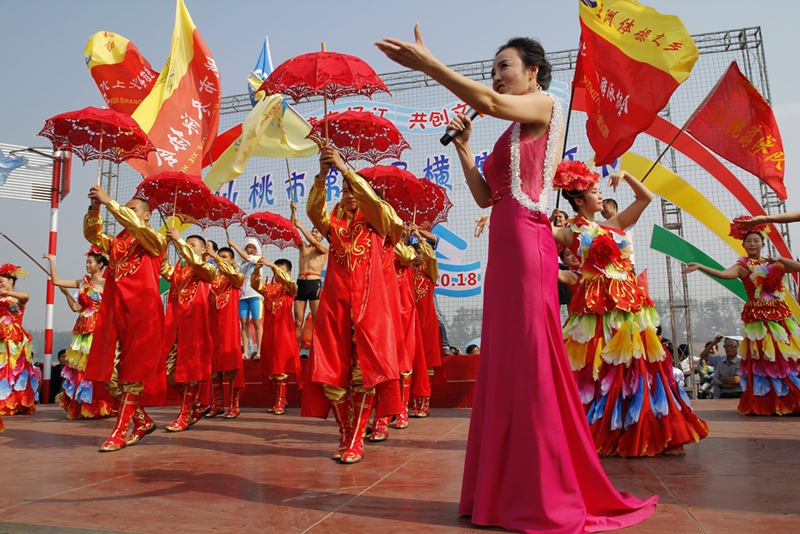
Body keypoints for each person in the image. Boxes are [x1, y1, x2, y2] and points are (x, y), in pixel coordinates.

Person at [377, 27, 657, 531]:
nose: (496, 78)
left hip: (529, 244)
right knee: (504, 363)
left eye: (504, 67)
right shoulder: (508, 131)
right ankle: (499, 492)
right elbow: (487, 197)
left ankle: (541, 489)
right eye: (494, 70)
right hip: (503, 247)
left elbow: (484, 99)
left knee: (530, 361)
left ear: (532, 72)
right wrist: (463, 149)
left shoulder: (546, 107)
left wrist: (430, 66)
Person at [554, 163, 708, 457]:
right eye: (594, 192)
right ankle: (603, 428)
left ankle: (647, 426)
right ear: (578, 200)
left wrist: (626, 176)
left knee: (638, 365)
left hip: (629, 303)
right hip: (596, 308)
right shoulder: (568, 231)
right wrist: (560, 274)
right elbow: (532, 243)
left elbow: (645, 198)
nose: (601, 197)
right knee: (600, 368)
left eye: (599, 191)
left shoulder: (614, 225)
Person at [302, 144, 403, 465]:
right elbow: (313, 213)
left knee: (365, 373)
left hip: (370, 308)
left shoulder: (379, 218)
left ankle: (356, 439)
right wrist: (322, 174)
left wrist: (346, 169)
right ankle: (346, 434)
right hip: (335, 304)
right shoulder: (335, 223)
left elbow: (379, 209)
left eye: (352, 188)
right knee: (330, 372)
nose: (347, 193)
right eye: (343, 189)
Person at [683, 220, 800, 414]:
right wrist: (702, 266)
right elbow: (724, 274)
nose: (752, 244)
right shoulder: (742, 265)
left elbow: (797, 268)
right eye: (749, 241)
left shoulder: (775, 263)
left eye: (756, 240)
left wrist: (780, 259)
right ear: (744, 245)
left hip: (780, 317)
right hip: (759, 321)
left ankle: (789, 397)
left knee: (784, 358)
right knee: (764, 360)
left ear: (763, 243)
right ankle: (769, 401)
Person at [83, 186, 167, 452]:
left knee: (133, 375)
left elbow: (139, 231)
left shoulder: (154, 239)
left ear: (146, 216)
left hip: (143, 313)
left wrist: (111, 203)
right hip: (115, 311)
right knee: (110, 374)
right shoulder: (117, 243)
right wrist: (95, 207)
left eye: (132, 210)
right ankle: (141, 422)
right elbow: (92, 235)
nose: (126, 213)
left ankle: (119, 432)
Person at [43, 249, 115, 419]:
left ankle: (101, 405)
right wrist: (52, 261)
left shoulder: (108, 284)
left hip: (98, 329)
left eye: (90, 262)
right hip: (82, 330)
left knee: (96, 367)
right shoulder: (82, 283)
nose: (87, 265)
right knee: (80, 368)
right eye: (87, 262)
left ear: (100, 265)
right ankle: (82, 405)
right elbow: (57, 282)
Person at [161, 229, 216, 432]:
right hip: (176, 326)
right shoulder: (180, 268)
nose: (186, 246)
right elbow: (162, 267)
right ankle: (196, 404)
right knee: (167, 371)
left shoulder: (206, 268)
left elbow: (205, 271)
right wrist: (166, 244)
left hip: (194, 327)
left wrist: (180, 242)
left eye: (192, 245)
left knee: (190, 371)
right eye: (187, 244)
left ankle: (184, 415)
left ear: (203, 250)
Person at [252, 257, 301, 415]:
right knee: (271, 367)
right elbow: (255, 285)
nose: (275, 271)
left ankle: (280, 401)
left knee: (281, 367)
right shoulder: (268, 288)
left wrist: (272, 265)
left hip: (284, 332)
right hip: (269, 332)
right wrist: (257, 269)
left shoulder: (290, 288)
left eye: (280, 269)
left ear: (288, 272)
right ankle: (281, 399)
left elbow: (291, 285)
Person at [206, 245, 245, 419]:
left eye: (224, 257)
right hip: (213, 326)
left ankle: (234, 405)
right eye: (219, 256)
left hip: (229, 327)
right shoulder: (212, 279)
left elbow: (232, 275)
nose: (220, 258)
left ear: (231, 261)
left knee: (231, 366)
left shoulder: (236, 277)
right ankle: (217, 404)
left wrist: (215, 255)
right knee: (215, 367)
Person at [410, 226, 445, 417]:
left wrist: (420, 236)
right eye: (415, 253)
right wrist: (409, 237)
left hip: (428, 322)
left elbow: (431, 256)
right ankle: (414, 404)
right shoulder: (408, 272)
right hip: (411, 323)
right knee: (413, 364)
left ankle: (424, 405)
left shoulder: (429, 272)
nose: (417, 256)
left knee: (427, 362)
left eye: (420, 253)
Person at [0, 263, 38, 418]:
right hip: (1, 337)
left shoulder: (17, 298)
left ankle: (15, 402)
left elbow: (26, 297)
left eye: (2, 281)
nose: (0, 284)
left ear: (11, 281)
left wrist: (7, 293)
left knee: (13, 370)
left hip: (14, 339)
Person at [290, 200, 328, 343]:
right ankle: (296, 350)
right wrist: (293, 211)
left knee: (317, 320)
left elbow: (311, 240)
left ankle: (319, 350)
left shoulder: (323, 249)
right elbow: (292, 229)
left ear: (321, 237)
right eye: (312, 231)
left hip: (314, 284)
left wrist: (301, 227)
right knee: (298, 320)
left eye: (316, 232)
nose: (313, 233)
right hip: (300, 283)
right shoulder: (303, 248)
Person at [228, 237, 264, 359]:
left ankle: (259, 351)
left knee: (257, 322)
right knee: (243, 324)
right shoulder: (241, 264)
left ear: (257, 249)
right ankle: (245, 352)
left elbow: (248, 257)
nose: (251, 250)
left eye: (253, 247)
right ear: (246, 248)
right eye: (249, 247)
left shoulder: (258, 259)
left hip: (255, 296)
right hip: (242, 297)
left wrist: (233, 244)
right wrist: (233, 267)